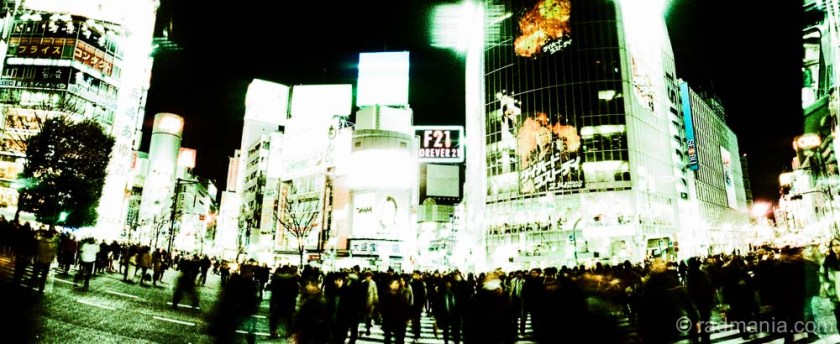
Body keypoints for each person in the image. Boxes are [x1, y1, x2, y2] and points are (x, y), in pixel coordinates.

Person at [820, 238, 840, 328]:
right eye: (833, 245)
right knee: (839, 318)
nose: (835, 248)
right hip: (834, 292)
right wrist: (827, 286)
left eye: (838, 245)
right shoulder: (827, 260)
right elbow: (822, 275)